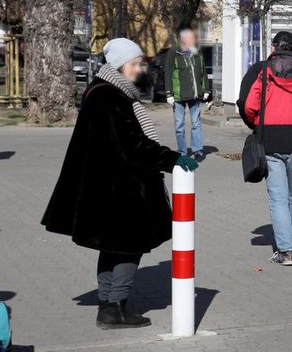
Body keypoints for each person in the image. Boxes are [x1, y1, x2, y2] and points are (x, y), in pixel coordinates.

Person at [42, 38, 199, 329]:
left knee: (112, 246)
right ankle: (115, 306)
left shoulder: (104, 91)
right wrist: (173, 159)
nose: (142, 69)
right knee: (129, 245)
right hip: (121, 188)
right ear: (121, 66)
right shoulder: (110, 96)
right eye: (137, 64)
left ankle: (107, 306)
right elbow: (134, 145)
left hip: (108, 185)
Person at [236, 31, 292, 266]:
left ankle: (286, 251)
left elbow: (249, 106)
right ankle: (287, 239)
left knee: (277, 197)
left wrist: (259, 123)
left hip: (271, 139)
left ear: (274, 47)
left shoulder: (264, 71)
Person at [164, 28, 208, 158]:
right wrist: (169, 93)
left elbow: (203, 71)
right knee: (179, 126)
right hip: (178, 96)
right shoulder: (174, 53)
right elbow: (168, 72)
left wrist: (206, 89)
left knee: (196, 124)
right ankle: (182, 152)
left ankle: (197, 150)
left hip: (195, 95)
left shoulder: (197, 53)